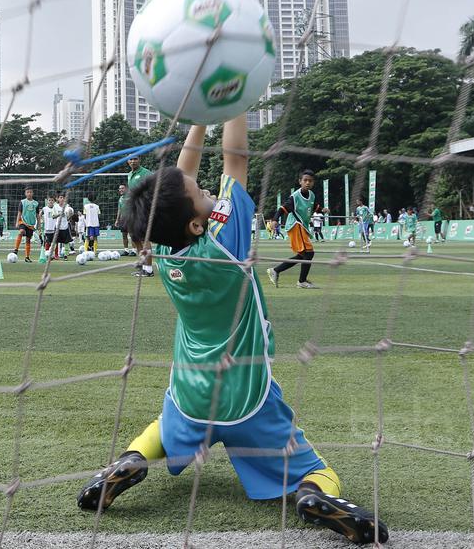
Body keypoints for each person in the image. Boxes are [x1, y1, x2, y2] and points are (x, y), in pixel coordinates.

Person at [76, 114, 387, 544]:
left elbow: (180, 180)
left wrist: (199, 121)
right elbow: (235, 159)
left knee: (163, 429)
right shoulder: (224, 240)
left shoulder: (163, 256)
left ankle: (127, 462)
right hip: (248, 397)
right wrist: (234, 102)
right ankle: (313, 495)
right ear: (196, 223)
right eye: (200, 193)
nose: (205, 188)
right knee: (316, 468)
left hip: (190, 393)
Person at [268, 169, 319, 289]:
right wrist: (275, 220)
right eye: (305, 180)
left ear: (313, 183)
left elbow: (315, 207)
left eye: (310, 181)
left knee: (303, 255)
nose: (307, 183)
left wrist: (323, 210)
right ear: (300, 181)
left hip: (302, 226)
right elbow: (282, 209)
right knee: (309, 252)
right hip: (296, 225)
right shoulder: (294, 197)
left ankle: (275, 271)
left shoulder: (312, 195)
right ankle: (302, 282)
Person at [127, 156, 154, 276]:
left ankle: (148, 269)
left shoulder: (146, 173)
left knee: (144, 239)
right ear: (128, 161)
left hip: (143, 209)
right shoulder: (129, 174)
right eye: (131, 159)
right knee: (135, 239)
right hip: (133, 210)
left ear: (140, 160)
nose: (133, 161)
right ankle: (143, 266)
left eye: (135, 158)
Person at [11, 188, 39, 261]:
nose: (29, 193)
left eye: (30, 192)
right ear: (25, 193)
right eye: (27, 192)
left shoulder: (36, 203)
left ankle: (27, 257)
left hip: (31, 224)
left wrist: (38, 224)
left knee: (28, 240)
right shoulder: (22, 202)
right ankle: (16, 249)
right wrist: (17, 222)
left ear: (33, 193)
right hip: (23, 221)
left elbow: (37, 215)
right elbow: (19, 213)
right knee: (21, 231)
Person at [114, 184, 130, 251]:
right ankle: (126, 250)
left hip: (130, 218)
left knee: (133, 235)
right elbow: (119, 210)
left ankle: (134, 250)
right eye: (119, 188)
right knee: (124, 235)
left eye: (122, 188)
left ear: (126, 189)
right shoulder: (120, 199)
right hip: (123, 219)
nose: (120, 190)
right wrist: (117, 220)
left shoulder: (130, 197)